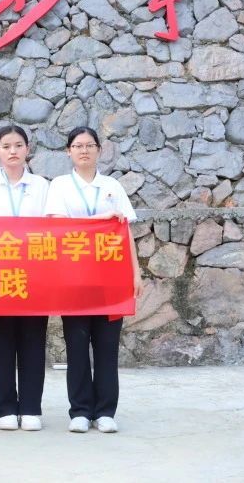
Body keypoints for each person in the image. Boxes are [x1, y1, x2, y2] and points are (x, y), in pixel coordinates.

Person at [44, 126, 142, 435]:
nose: (84, 150)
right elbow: (60, 227)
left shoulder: (112, 186)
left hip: (110, 279)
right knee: (76, 345)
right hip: (73, 278)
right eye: (77, 145)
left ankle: (105, 411)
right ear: (68, 151)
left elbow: (125, 231)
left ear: (99, 150)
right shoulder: (60, 186)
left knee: (107, 347)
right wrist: (101, 220)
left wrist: (135, 271)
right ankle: (80, 411)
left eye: (89, 145)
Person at [0, 125, 51, 432]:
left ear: (28, 150)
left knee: (33, 341)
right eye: (6, 146)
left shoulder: (41, 186)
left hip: (35, 276)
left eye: (18, 145)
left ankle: (30, 407)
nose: (13, 151)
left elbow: (52, 228)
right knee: (2, 342)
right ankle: (5, 408)